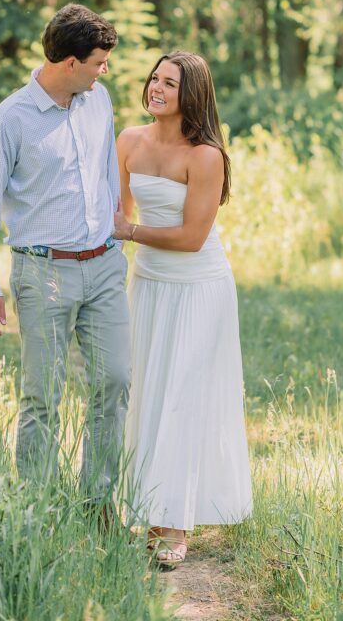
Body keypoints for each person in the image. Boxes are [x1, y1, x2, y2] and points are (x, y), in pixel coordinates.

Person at [0, 4, 130, 505]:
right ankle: (36, 507)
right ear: (70, 63)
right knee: (42, 395)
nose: (106, 70)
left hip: (103, 266)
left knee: (115, 381)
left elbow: (107, 173)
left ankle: (99, 503)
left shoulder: (98, 101)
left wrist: (117, 234)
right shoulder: (9, 120)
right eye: (99, 62)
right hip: (44, 272)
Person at [113, 50, 252, 567]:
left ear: (190, 93)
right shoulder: (129, 140)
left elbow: (193, 238)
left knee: (181, 396)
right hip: (148, 283)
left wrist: (131, 232)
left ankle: (172, 523)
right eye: (154, 78)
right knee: (146, 390)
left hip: (198, 287)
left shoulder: (206, 156)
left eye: (169, 83)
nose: (156, 88)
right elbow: (113, 214)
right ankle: (143, 505)